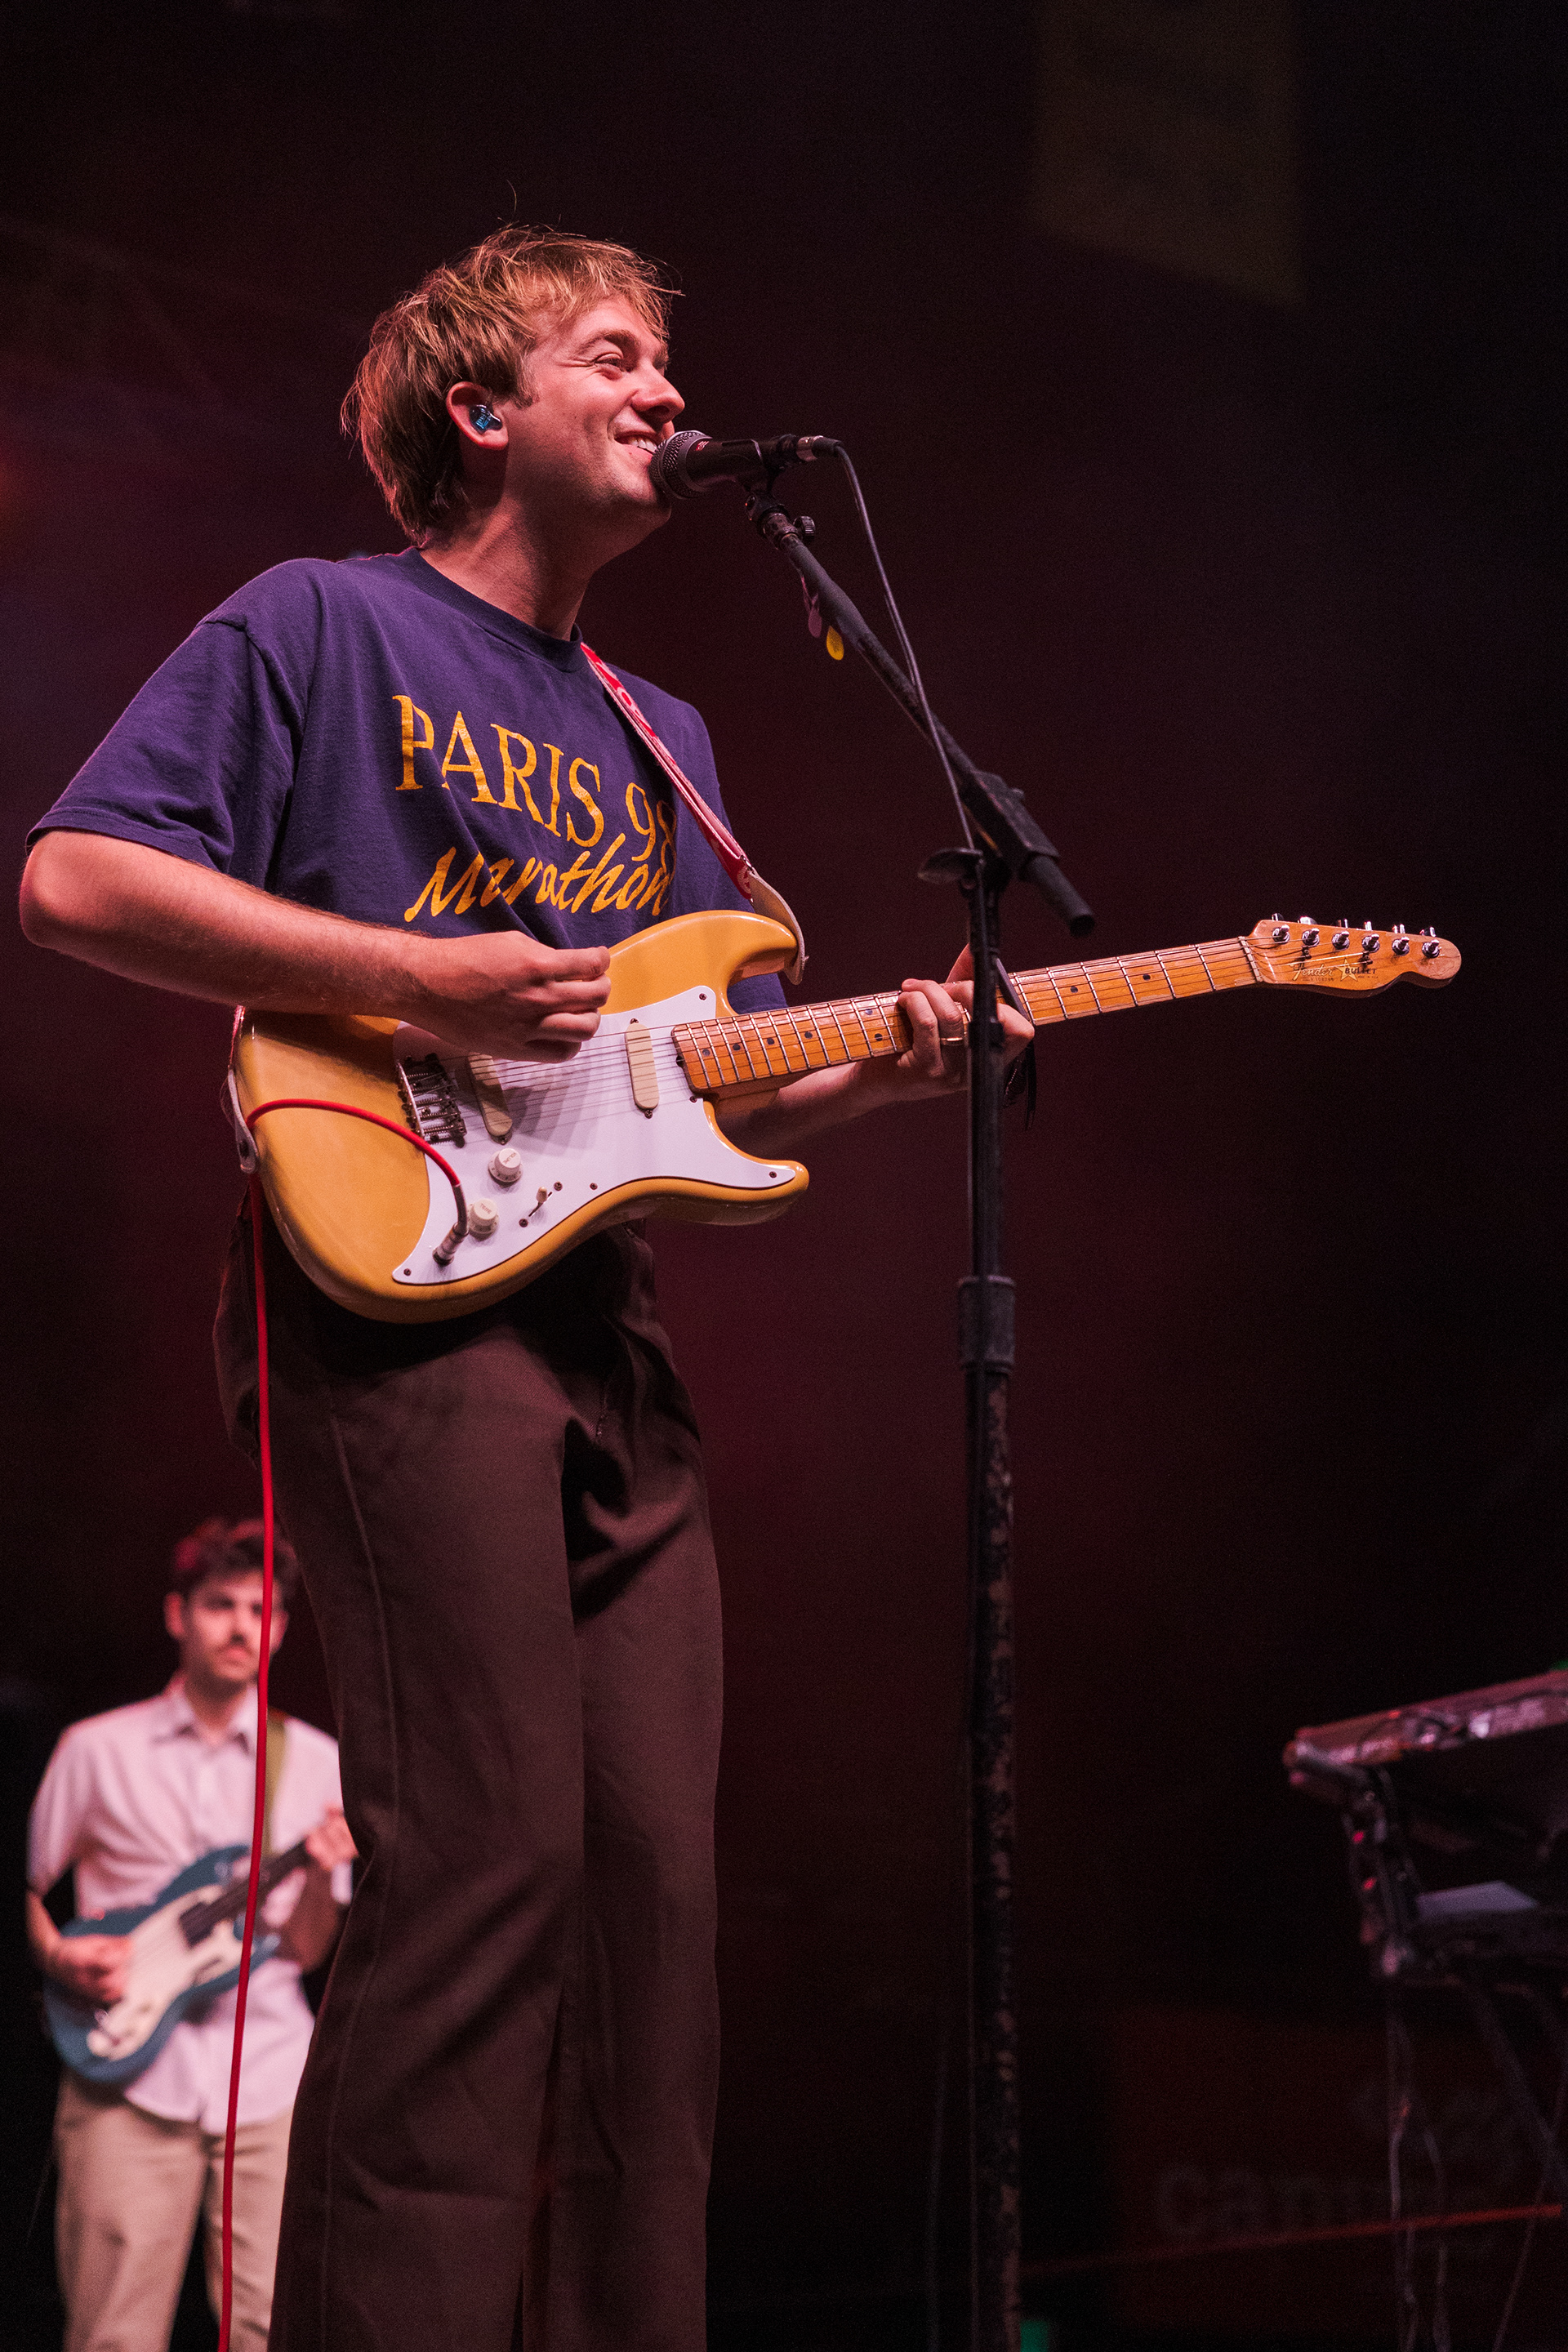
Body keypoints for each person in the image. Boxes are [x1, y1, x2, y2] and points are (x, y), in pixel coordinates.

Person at [19, 228, 1030, 2352]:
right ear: (485, 411)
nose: (671, 395)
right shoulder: (320, 624)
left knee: (658, 1914)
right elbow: (75, 876)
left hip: (603, 1334)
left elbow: (671, 1095)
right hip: (387, 1283)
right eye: (615, 358)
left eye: (674, 363)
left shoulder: (662, 733)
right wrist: (412, 974)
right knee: (481, 1867)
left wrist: (894, 1056)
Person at [27, 1517, 355, 2352]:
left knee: (271, 2331)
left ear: (279, 1627)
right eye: (220, 1605)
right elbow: (23, 1890)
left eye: (262, 1609)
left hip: (272, 2077)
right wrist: (58, 1952)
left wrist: (322, 1872)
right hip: (126, 2073)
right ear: (179, 1615)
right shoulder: (95, 1750)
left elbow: (310, 1950)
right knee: (114, 2333)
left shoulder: (315, 1762)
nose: (243, 1626)